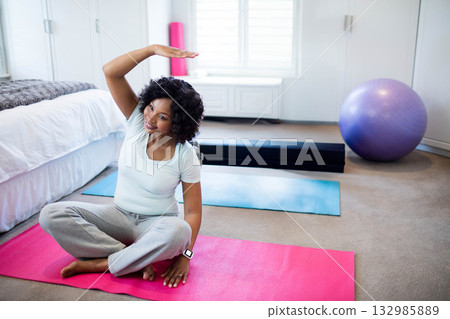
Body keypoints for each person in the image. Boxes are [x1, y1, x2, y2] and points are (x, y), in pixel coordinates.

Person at [39, 44, 204, 289]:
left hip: (156, 226)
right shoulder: (137, 120)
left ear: (178, 123)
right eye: (151, 108)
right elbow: (111, 72)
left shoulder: (185, 154)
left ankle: (101, 263)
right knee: (50, 214)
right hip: (118, 217)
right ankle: (131, 259)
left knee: (180, 231)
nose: (150, 118)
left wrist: (185, 257)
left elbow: (193, 214)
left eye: (162, 117)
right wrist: (152, 49)